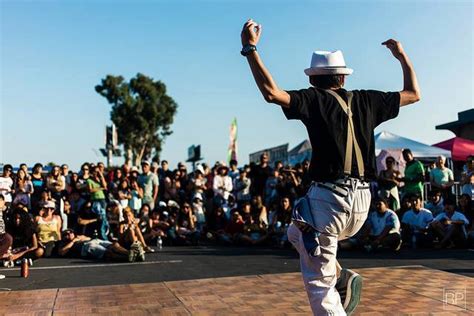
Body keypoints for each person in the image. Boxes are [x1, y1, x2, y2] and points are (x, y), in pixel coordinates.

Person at [241, 18, 420, 315]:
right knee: (296, 233)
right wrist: (401, 56)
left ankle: (334, 280)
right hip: (362, 202)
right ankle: (342, 275)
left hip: (329, 202)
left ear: (314, 80)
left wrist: (250, 48)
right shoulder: (368, 100)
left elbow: (272, 93)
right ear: (343, 78)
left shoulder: (313, 99)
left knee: (318, 285)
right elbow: (414, 94)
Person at [58, 229, 134, 262]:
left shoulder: (79, 236)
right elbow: (62, 252)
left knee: (115, 245)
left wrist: (82, 237)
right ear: (64, 237)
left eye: (70, 232)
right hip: (86, 246)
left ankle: (130, 253)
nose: (69, 234)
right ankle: (128, 257)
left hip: (95, 240)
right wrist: (73, 241)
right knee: (108, 253)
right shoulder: (65, 243)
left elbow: (89, 237)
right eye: (66, 234)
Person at [87, 166, 109, 240]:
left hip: (102, 199)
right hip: (95, 199)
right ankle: (100, 235)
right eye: (95, 171)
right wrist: (101, 188)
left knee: (104, 217)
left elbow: (105, 185)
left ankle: (105, 234)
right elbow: (90, 190)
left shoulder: (99, 179)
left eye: (97, 171)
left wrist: (101, 175)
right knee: (98, 217)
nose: (96, 173)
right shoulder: (89, 180)